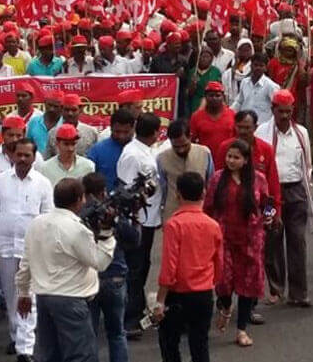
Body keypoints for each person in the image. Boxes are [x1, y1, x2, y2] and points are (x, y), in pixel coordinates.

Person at [15, 178, 116, 362]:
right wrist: (107, 235)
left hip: (44, 298)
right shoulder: (77, 229)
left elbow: (26, 262)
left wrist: (23, 293)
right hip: (71, 301)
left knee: (49, 355)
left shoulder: (36, 223)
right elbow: (100, 262)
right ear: (80, 199)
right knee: (80, 356)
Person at [0, 138, 53, 361]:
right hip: (5, 248)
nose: (22, 159)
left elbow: (48, 219)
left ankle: (25, 347)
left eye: (27, 155)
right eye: (19, 155)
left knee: (28, 297)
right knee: (11, 295)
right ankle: (16, 336)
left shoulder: (42, 183)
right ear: (12, 156)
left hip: (31, 250)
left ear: (34, 157)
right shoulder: (1, 181)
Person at [203, 139, 271, 347]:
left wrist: (269, 216)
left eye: (236, 157)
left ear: (246, 160)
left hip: (251, 239)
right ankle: (225, 306)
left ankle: (241, 329)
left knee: (246, 285)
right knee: (223, 281)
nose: (231, 161)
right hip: (223, 237)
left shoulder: (258, 179)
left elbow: (267, 204)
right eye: (229, 156)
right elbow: (208, 207)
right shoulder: (217, 179)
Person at [153, 171, 222, 362]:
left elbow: (169, 267)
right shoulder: (213, 225)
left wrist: (160, 300)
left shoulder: (174, 224)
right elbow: (219, 262)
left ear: (178, 194)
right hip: (203, 293)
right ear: (204, 193)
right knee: (200, 344)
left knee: (169, 342)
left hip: (178, 294)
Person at [254, 90, 313, 306]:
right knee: (272, 240)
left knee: (298, 240)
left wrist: (304, 182)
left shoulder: (302, 133)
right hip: (270, 195)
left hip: (296, 191)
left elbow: (307, 164)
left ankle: (299, 293)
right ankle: (276, 288)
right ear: (273, 110)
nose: (285, 116)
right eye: (281, 112)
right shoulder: (262, 132)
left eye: (289, 112)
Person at [81, 173, 139, 362]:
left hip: (89, 280)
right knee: (117, 333)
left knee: (90, 335)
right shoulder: (113, 213)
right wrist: (134, 216)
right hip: (115, 278)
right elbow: (134, 239)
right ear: (103, 191)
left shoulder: (80, 217)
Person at [116, 113, 162, 337]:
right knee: (135, 268)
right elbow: (127, 190)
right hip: (138, 220)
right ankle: (129, 319)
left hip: (150, 217)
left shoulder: (148, 150)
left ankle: (137, 306)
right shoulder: (133, 155)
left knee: (143, 264)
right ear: (155, 132)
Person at [156, 120, 214, 222]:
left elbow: (210, 183)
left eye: (184, 145)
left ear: (190, 137)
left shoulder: (204, 153)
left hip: (200, 213)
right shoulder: (162, 158)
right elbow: (163, 188)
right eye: (176, 147)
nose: (181, 150)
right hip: (173, 213)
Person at [87, 110, 136, 191]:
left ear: (133, 128)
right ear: (111, 128)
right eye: (117, 132)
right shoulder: (97, 150)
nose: (121, 136)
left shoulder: (140, 150)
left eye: (126, 132)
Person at [189, 82, 235, 164]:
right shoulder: (196, 116)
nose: (214, 98)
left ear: (223, 97)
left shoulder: (232, 115)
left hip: (228, 161)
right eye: (211, 95)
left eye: (217, 95)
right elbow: (191, 141)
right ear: (205, 97)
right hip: (204, 161)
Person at [45, 94, 98, 158]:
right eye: (67, 110)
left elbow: (97, 157)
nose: (70, 113)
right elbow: (47, 158)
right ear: (61, 109)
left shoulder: (91, 132)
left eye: (74, 110)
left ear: (80, 109)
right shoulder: (53, 133)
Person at [231, 53, 279, 124]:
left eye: (261, 65)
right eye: (255, 65)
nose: (258, 68)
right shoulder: (244, 82)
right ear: (251, 66)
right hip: (245, 124)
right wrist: (229, 113)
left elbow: (277, 107)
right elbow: (239, 102)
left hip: (262, 126)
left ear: (265, 68)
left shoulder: (271, 86)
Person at [26, 90, 63, 156]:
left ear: (62, 107)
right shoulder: (34, 122)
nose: (52, 109)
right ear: (45, 103)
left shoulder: (66, 124)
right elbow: (28, 145)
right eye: (50, 105)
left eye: (56, 106)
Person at [186, 47, 222, 115]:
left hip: (210, 102)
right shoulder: (192, 72)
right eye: (202, 56)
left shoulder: (216, 71)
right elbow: (187, 94)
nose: (204, 59)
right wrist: (192, 86)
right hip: (195, 103)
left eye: (207, 57)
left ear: (211, 59)